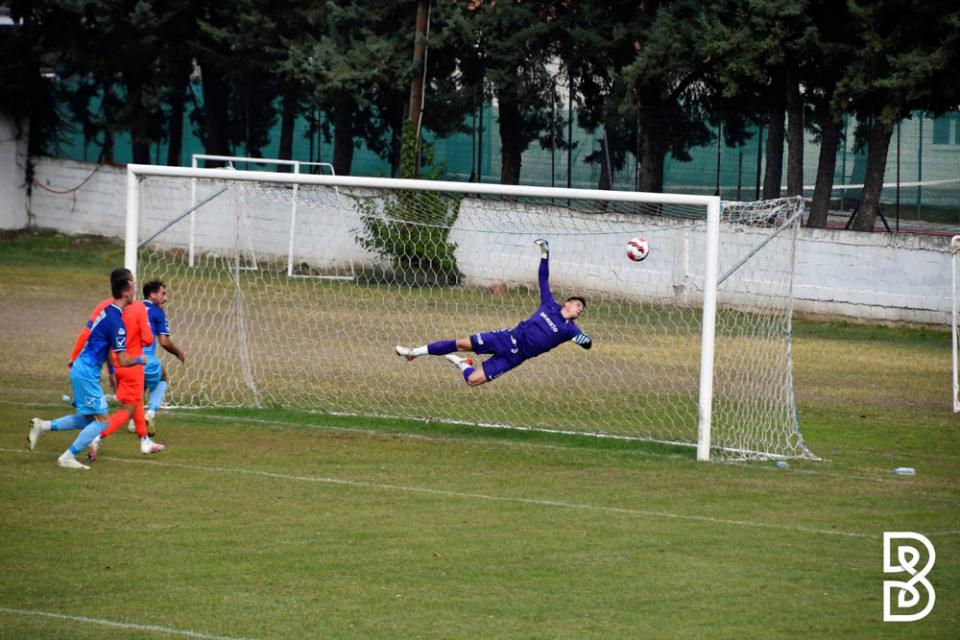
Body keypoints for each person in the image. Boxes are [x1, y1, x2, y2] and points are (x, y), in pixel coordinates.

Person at [395, 239, 593, 386]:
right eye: (578, 305)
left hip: (515, 357)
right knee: (461, 343)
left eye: (582, 309)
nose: (580, 309)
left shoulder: (570, 330)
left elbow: (587, 343)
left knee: (473, 380)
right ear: (567, 303)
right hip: (506, 338)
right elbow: (543, 278)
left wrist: (585, 341)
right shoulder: (549, 304)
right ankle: (414, 352)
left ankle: (463, 363)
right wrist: (545, 253)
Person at [28, 269, 150, 469]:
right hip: (86, 373)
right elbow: (124, 359)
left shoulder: (106, 311)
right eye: (133, 285)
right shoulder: (117, 323)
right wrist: (140, 359)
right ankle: (68, 456)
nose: (135, 290)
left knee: (87, 420)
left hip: (84, 370)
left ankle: (43, 426)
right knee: (102, 421)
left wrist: (110, 372)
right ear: (126, 290)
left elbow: (102, 344)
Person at [89, 285, 165, 460]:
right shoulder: (138, 307)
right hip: (133, 364)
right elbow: (147, 340)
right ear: (127, 289)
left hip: (116, 363)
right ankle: (96, 437)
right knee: (127, 409)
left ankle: (144, 441)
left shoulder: (108, 306)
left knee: (136, 401)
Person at [139, 280, 186, 435]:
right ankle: (151, 412)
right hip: (145, 358)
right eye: (163, 294)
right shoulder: (157, 312)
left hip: (125, 357)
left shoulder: (133, 307)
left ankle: (134, 422)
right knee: (162, 376)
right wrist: (178, 353)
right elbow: (164, 342)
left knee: (140, 384)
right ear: (152, 295)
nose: (166, 298)